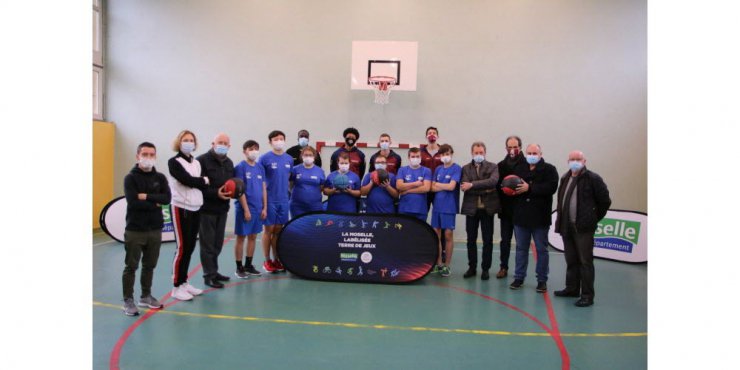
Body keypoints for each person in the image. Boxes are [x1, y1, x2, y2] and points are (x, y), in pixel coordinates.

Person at [554, 150, 611, 307]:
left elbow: (605, 201)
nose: (575, 161)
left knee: (585, 262)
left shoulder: (593, 178)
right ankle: (572, 289)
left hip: (583, 228)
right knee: (571, 260)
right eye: (572, 159)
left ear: (584, 161)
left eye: (578, 159)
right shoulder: (565, 177)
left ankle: (587, 295)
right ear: (568, 161)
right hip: (567, 227)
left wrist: (592, 218)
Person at [122, 142, 171, 316]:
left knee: (149, 265)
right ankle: (128, 300)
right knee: (131, 266)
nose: (148, 157)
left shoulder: (160, 178)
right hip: (135, 230)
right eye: (145, 154)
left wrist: (147, 197)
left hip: (155, 229)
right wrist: (155, 202)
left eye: (151, 154)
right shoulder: (130, 178)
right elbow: (133, 203)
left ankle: (145, 296)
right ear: (137, 156)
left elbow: (166, 199)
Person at [509, 144, 559, 293]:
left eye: (534, 153)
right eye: (529, 153)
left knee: (541, 249)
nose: (531, 155)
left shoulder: (550, 169)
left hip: (540, 217)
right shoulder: (519, 169)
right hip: (521, 217)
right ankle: (519, 277)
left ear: (540, 154)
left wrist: (530, 188)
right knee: (521, 249)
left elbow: (551, 188)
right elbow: (513, 186)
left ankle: (542, 280)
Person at [168, 130, 209, 301]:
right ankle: (176, 286)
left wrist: (200, 183)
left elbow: (198, 184)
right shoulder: (174, 162)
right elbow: (188, 181)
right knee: (182, 248)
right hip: (181, 207)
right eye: (185, 140)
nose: (189, 142)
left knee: (191, 247)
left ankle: (184, 282)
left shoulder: (196, 162)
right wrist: (203, 181)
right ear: (179, 142)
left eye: (191, 140)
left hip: (195, 207)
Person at [196, 133, 235, 289]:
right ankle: (209, 275)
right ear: (213, 143)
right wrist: (215, 193)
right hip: (206, 209)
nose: (222, 145)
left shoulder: (229, 163)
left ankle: (214, 271)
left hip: (222, 209)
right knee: (207, 245)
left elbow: (231, 184)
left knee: (218, 243)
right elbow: (197, 187)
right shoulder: (201, 161)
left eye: (225, 143)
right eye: (220, 142)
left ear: (229, 146)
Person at [460, 141, 500, 280]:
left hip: (487, 209)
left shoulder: (493, 166)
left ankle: (485, 269)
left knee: (487, 240)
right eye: (476, 153)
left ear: (485, 152)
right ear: (472, 153)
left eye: (481, 152)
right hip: (471, 209)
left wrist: (472, 185)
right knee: (471, 239)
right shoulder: (465, 168)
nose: (478, 155)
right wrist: (485, 188)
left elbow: (493, 182)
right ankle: (472, 267)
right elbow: (464, 185)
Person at [259, 130, 293, 273]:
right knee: (268, 230)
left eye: (281, 139)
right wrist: (263, 203)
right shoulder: (264, 158)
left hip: (284, 200)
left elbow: (289, 179)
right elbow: (260, 181)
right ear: (270, 142)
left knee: (278, 231)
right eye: (276, 139)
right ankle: (267, 261)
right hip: (269, 200)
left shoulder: (289, 159)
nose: (279, 141)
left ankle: (276, 260)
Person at [232, 140, 266, 279]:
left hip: (258, 208)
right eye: (250, 148)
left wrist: (265, 207)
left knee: (253, 236)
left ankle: (248, 265)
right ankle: (239, 267)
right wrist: (246, 209)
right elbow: (239, 190)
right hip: (245, 208)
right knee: (241, 237)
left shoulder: (260, 167)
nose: (254, 151)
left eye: (256, 148)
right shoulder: (240, 167)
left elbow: (263, 188)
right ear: (244, 151)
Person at [496, 135, 526, 279]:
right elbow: (497, 186)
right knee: (505, 240)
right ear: (506, 148)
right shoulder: (501, 165)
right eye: (510, 147)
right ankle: (503, 267)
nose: (512, 149)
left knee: (521, 242)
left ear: (520, 147)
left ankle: (520, 273)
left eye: (515, 147)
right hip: (506, 209)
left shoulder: (526, 164)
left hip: (522, 209)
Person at [430, 144, 462, 277]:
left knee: (448, 235)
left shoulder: (456, 168)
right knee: (435, 234)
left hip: (449, 206)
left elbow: (451, 187)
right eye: (442, 154)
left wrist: (439, 185)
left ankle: (447, 265)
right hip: (437, 206)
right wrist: (440, 186)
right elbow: (432, 187)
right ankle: (438, 264)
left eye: (447, 154)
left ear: (451, 153)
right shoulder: (438, 169)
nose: (445, 157)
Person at [396, 148, 432, 221]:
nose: (415, 158)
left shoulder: (426, 170)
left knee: (419, 232)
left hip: (420, 209)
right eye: (413, 156)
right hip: (404, 208)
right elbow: (399, 186)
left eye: (417, 156)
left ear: (421, 158)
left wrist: (407, 191)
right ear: (409, 158)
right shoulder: (402, 170)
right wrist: (415, 184)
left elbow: (426, 188)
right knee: (404, 231)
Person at [290, 146, 326, 217]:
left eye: (310, 155)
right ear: (302, 156)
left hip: (315, 206)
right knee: (298, 226)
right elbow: (290, 184)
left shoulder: (320, 171)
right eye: (306, 155)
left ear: (314, 157)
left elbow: (322, 187)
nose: (308, 157)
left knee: (314, 226)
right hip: (297, 206)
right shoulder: (295, 169)